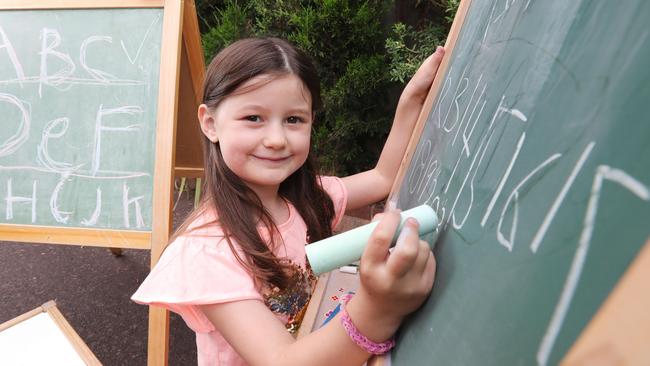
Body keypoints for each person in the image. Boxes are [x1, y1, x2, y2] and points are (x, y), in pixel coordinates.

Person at [132, 37, 445, 366]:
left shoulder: (307, 198)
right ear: (211, 124)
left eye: (294, 120)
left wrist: (411, 101)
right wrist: (378, 308)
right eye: (253, 118)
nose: (277, 139)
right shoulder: (207, 250)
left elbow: (382, 178)